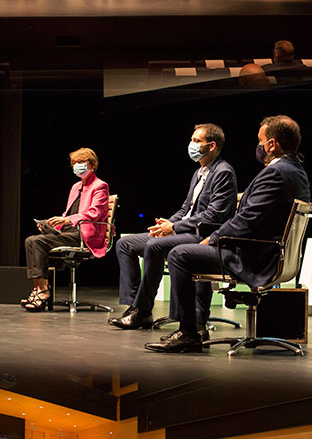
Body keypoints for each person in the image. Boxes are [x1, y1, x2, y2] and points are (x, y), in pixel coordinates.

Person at [145, 115, 311, 353]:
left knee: (179, 254)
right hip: (272, 252)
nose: (259, 146)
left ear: (272, 144)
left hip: (254, 256)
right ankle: (196, 326)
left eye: (260, 140)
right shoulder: (297, 171)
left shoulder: (276, 173)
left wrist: (213, 238)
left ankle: (189, 332)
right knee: (189, 251)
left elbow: (246, 220)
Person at [109, 124, 237, 334]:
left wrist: (174, 227)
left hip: (202, 235)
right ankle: (135, 306)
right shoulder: (198, 173)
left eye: (196, 141)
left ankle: (143, 310)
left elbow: (214, 215)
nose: (192, 145)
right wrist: (166, 224)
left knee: (155, 246)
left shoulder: (223, 172)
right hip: (183, 230)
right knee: (126, 244)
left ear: (211, 145)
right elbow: (186, 209)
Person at [23, 148, 109, 311]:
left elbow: (94, 212)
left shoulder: (100, 186)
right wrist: (52, 224)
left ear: (92, 164)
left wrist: (66, 219)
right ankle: (39, 288)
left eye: (81, 162)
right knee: (30, 240)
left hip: (84, 235)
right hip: (69, 231)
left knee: (39, 242)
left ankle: (42, 292)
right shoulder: (76, 186)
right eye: (74, 163)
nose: (77, 166)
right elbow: (68, 213)